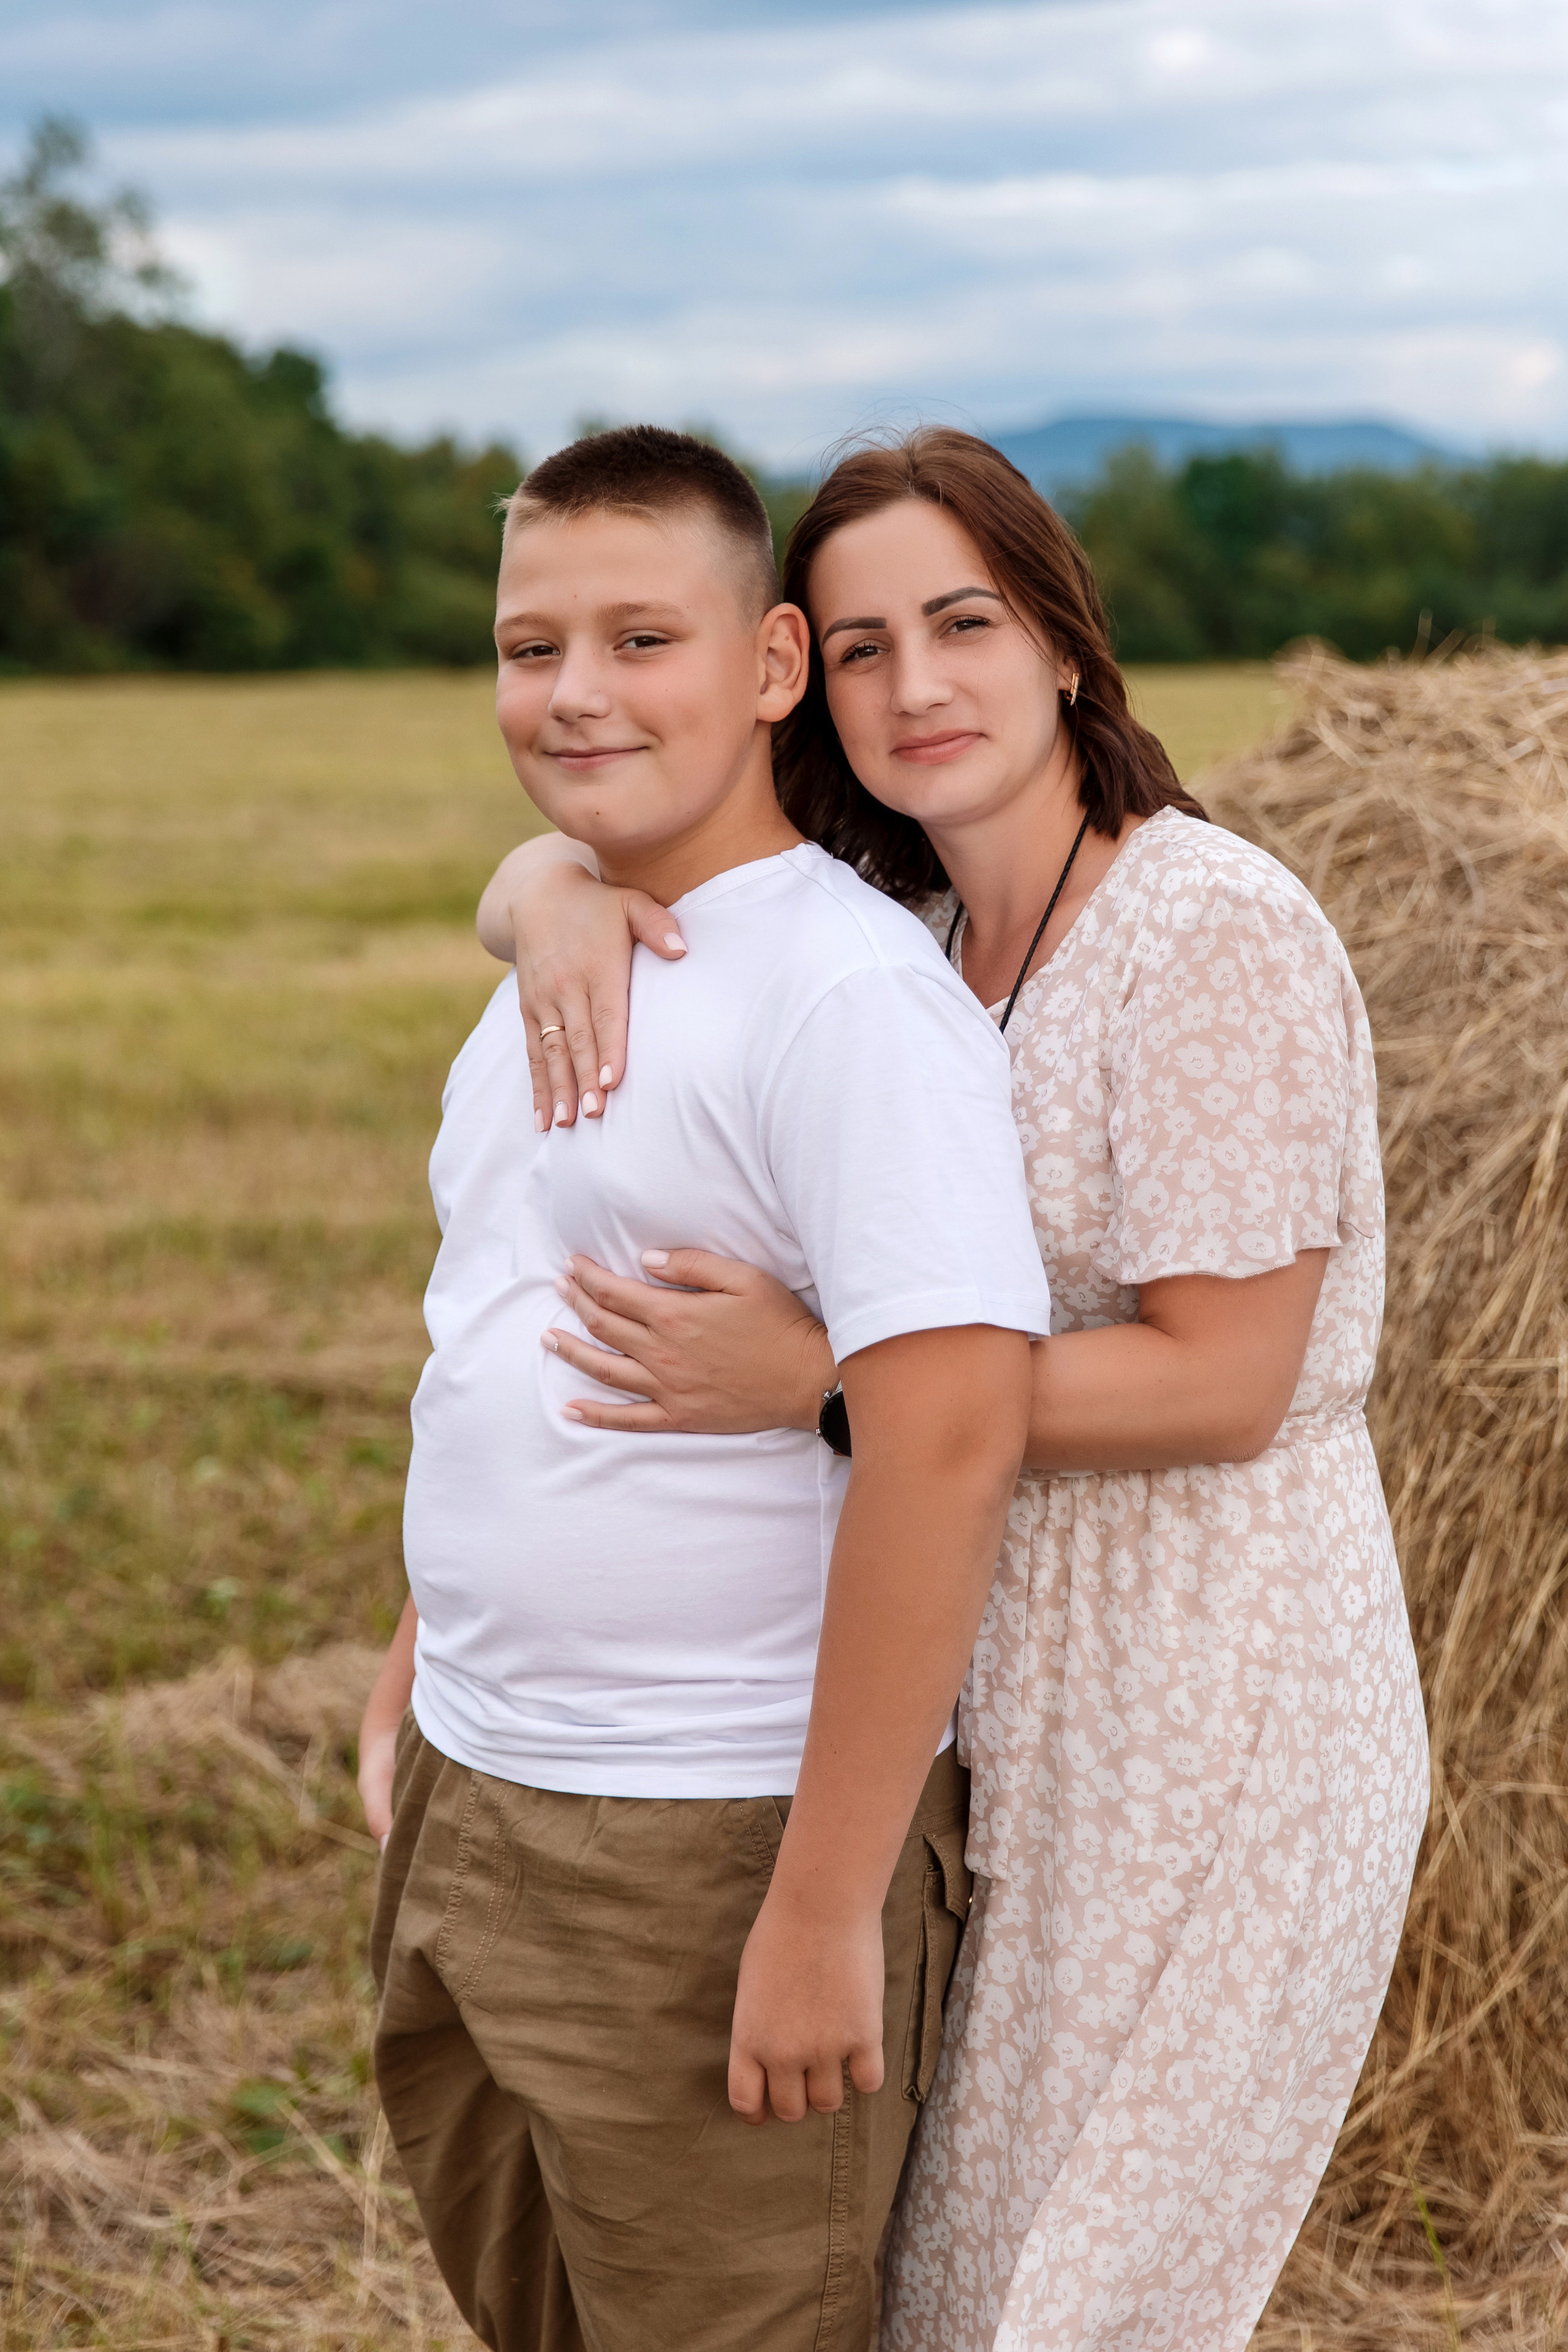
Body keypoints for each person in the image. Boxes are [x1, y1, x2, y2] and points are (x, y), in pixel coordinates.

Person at [476, 428, 1430, 2352]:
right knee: (952, 2283)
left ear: (1064, 641)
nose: (915, 686)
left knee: (1083, 2302)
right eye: (857, 647)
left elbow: (1228, 1382)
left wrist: (820, 1385)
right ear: (798, 681)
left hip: (1217, 1709)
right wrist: (548, 895)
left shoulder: (1206, 929)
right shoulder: (903, 931)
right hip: (996, 1703)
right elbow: (603, 854)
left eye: (964, 623)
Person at [356, 424, 1056, 2352]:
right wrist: (436, 1644)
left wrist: (825, 1908)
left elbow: (951, 1432)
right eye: (529, 645)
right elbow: (503, 1313)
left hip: (708, 1832)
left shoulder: (845, 998)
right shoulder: (561, 954)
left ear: (766, 669)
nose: (573, 692)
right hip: (484, 1790)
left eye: (640, 639)